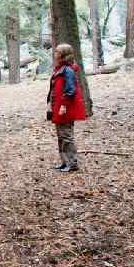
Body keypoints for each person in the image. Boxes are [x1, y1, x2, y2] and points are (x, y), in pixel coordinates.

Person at [46, 43, 86, 173]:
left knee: (67, 135)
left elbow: (70, 90)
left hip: (65, 107)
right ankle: (65, 162)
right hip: (58, 107)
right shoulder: (59, 69)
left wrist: (63, 105)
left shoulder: (67, 70)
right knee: (61, 136)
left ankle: (72, 163)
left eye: (57, 52)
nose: (55, 53)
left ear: (63, 54)